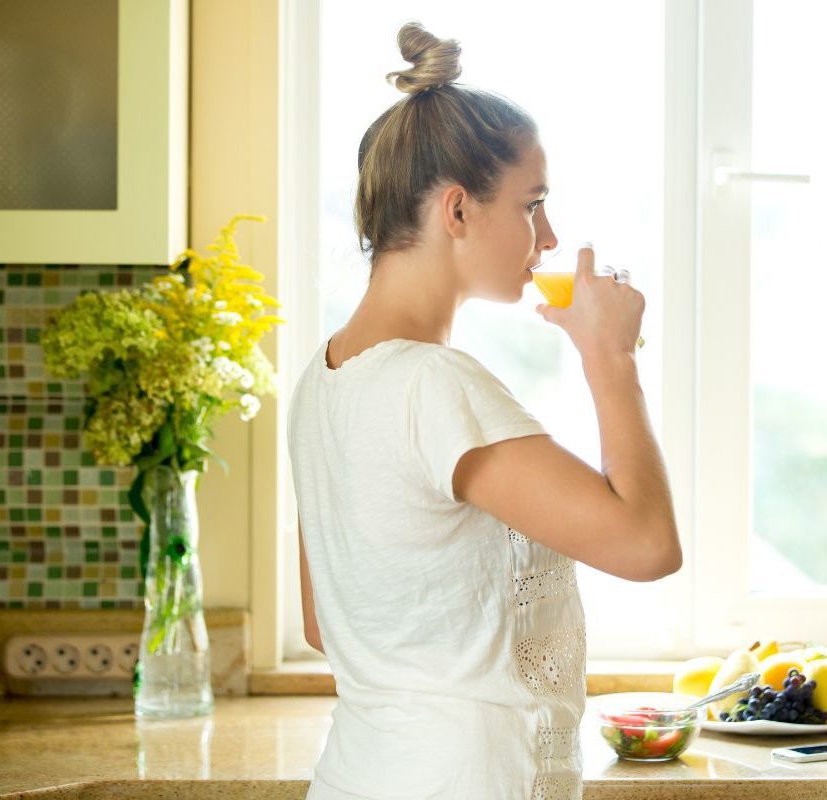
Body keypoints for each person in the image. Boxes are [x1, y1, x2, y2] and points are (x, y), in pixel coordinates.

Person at [287, 21, 680, 800]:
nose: (551, 236)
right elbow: (646, 546)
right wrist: (611, 357)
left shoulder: (322, 379)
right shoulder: (434, 386)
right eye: (533, 204)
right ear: (458, 211)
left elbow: (324, 626)